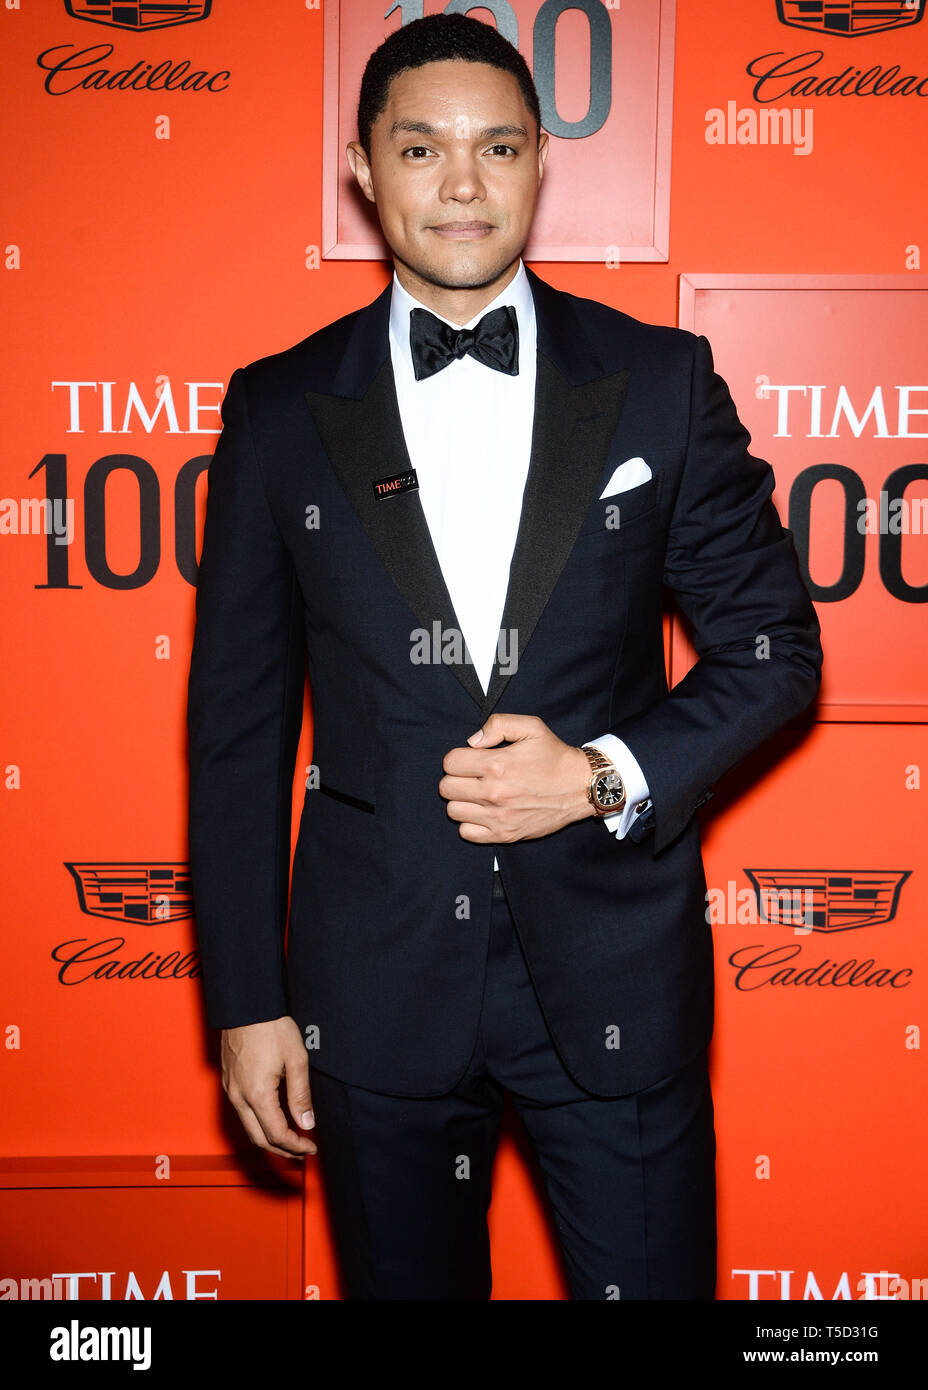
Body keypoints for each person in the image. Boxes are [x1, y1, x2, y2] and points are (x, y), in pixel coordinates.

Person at [186, 13, 822, 1300]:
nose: (461, 184)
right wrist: (247, 1005)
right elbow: (239, 731)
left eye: (497, 147)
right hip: (370, 994)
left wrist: (599, 773)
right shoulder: (275, 407)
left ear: (542, 163)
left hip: (613, 976)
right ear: (363, 168)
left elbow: (773, 652)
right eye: (420, 148)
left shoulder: (658, 380)